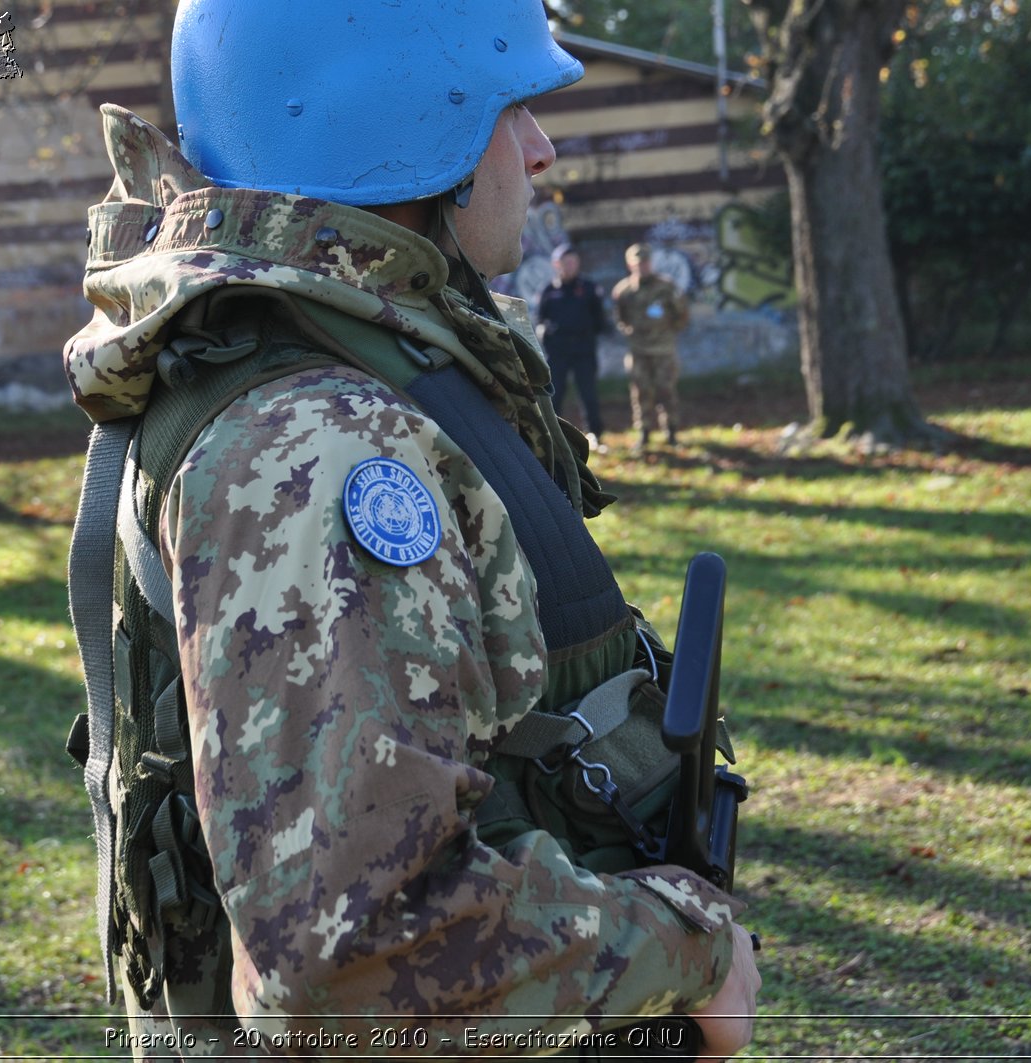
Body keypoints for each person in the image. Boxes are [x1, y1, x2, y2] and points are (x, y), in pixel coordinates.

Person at [62, 0, 760, 1057]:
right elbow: (348, 955)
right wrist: (684, 945)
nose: (540, 146)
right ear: (395, 116)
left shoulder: (349, 359)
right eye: (507, 106)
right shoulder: (318, 442)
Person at [612, 244, 690, 450]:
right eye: (638, 264)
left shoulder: (666, 287)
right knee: (641, 392)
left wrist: (665, 333)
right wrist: (631, 332)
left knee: (666, 391)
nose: (642, 267)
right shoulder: (624, 290)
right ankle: (644, 433)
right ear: (630, 265)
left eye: (645, 263)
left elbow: (681, 315)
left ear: (651, 263)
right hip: (638, 350)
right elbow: (621, 317)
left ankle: (671, 432)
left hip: (663, 350)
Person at [537, 244, 611, 451]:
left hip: (583, 351)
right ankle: (553, 438)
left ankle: (595, 434)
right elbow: (540, 319)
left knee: (588, 395)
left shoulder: (589, 289)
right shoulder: (549, 291)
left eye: (573, 262)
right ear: (556, 264)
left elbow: (600, 321)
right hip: (558, 352)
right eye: (565, 262)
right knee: (555, 395)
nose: (570, 266)